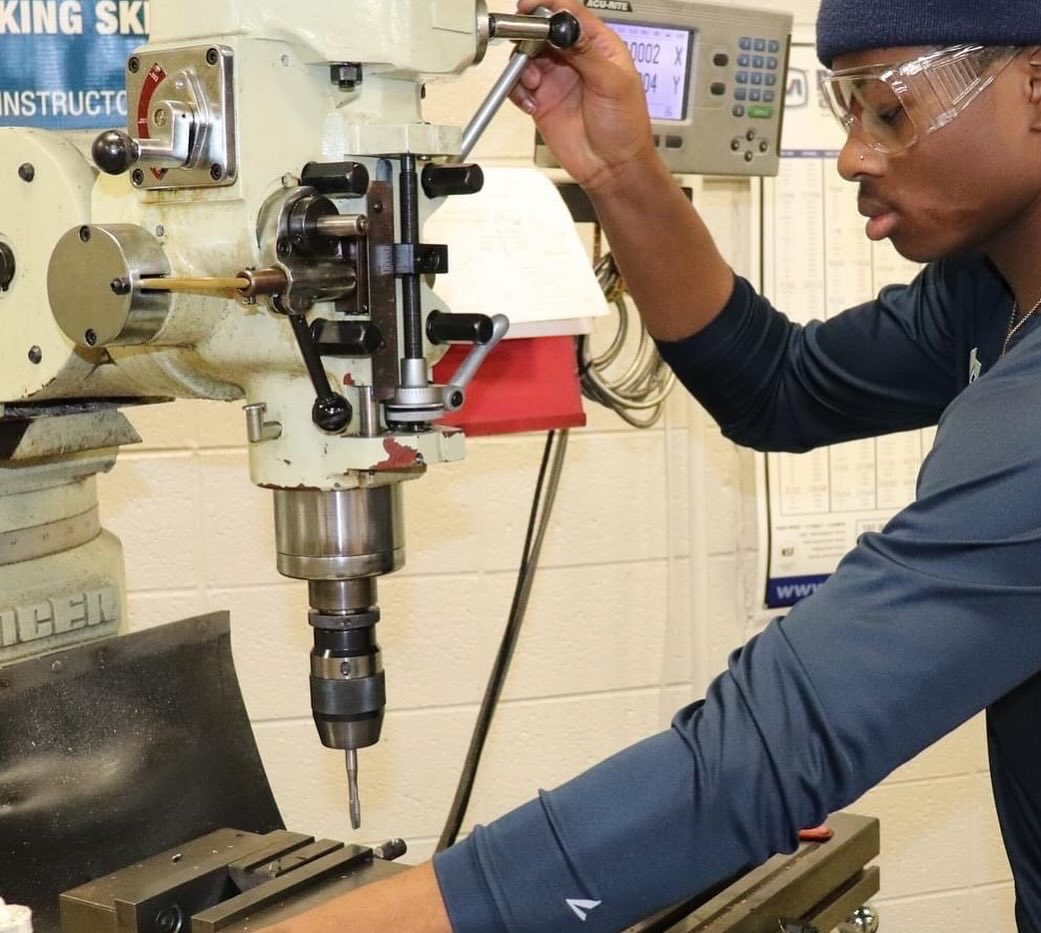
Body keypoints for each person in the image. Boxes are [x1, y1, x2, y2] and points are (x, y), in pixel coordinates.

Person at [267, 0, 1041, 929]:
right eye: (845, 113)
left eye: (889, 110)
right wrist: (617, 168)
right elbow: (777, 386)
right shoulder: (987, 293)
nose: (853, 158)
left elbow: (765, 754)